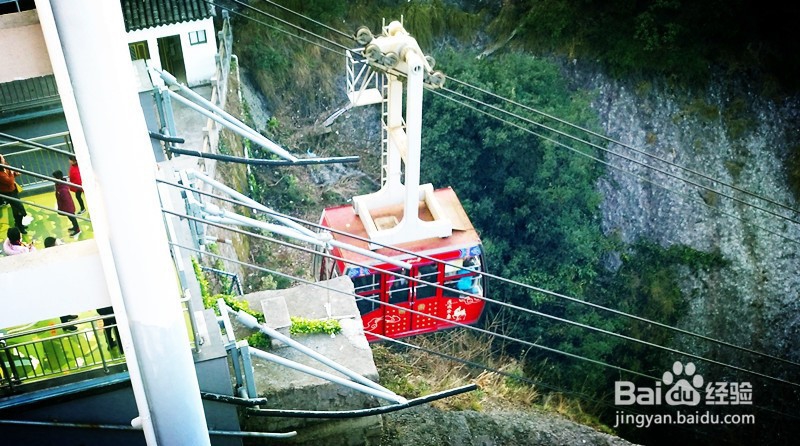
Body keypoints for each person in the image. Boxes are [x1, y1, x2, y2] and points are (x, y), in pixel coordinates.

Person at [43, 235, 79, 331]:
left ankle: (67, 316)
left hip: (59, 282)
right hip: (55, 285)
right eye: (55, 244)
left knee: (65, 302)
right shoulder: (49, 258)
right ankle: (65, 325)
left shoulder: (52, 255)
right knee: (61, 303)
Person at [0, 154, 29, 234]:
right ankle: (20, 226)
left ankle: (18, 224)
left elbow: (11, 174)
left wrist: (15, 173)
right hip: (8, 193)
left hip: (13, 190)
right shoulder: (0, 174)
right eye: (2, 158)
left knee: (16, 209)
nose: (4, 159)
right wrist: (12, 174)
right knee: (20, 208)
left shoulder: (5, 166)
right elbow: (10, 181)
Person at [53, 170, 81, 237]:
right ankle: (75, 227)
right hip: (66, 206)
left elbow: (66, 199)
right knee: (71, 217)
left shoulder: (62, 189)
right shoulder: (60, 185)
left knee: (72, 218)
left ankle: (77, 229)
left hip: (67, 206)